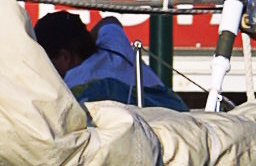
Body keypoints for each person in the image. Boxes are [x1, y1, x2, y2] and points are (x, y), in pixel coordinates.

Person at [35, 9, 187, 111]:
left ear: (64, 57)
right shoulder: (114, 44)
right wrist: (84, 42)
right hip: (180, 116)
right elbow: (110, 21)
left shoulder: (73, 89)